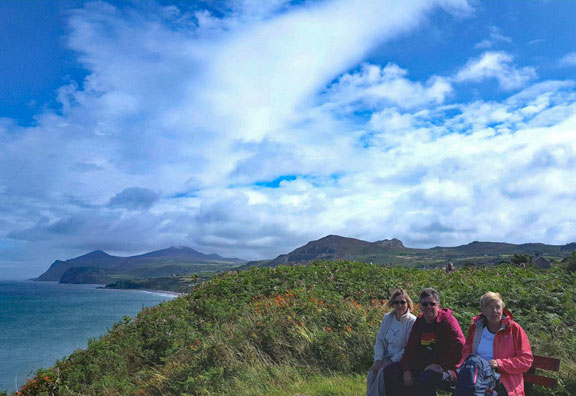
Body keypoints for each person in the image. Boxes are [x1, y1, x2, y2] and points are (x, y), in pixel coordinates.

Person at [384, 288, 465, 396]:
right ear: (420, 306)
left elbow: (460, 345)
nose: (428, 307)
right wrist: (406, 370)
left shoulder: (447, 321)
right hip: (423, 366)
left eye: (432, 304)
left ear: (438, 305)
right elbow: (410, 348)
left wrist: (442, 366)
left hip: (448, 370)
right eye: (425, 304)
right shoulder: (420, 321)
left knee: (426, 377)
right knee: (391, 371)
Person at [458, 292, 533, 396]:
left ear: (502, 309)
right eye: (489, 307)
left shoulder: (514, 330)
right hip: (478, 378)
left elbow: (526, 360)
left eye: (498, 307)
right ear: (483, 311)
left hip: (504, 384)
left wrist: (500, 364)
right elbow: (467, 351)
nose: (494, 311)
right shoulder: (476, 328)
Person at [366, 289, 416, 396]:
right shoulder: (387, 318)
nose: (400, 305)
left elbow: (408, 347)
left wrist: (391, 361)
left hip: (400, 359)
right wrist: (378, 359)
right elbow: (380, 340)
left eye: (403, 302)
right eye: (396, 302)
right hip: (385, 356)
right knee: (372, 372)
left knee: (381, 373)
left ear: (408, 304)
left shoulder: (412, 321)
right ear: (392, 304)